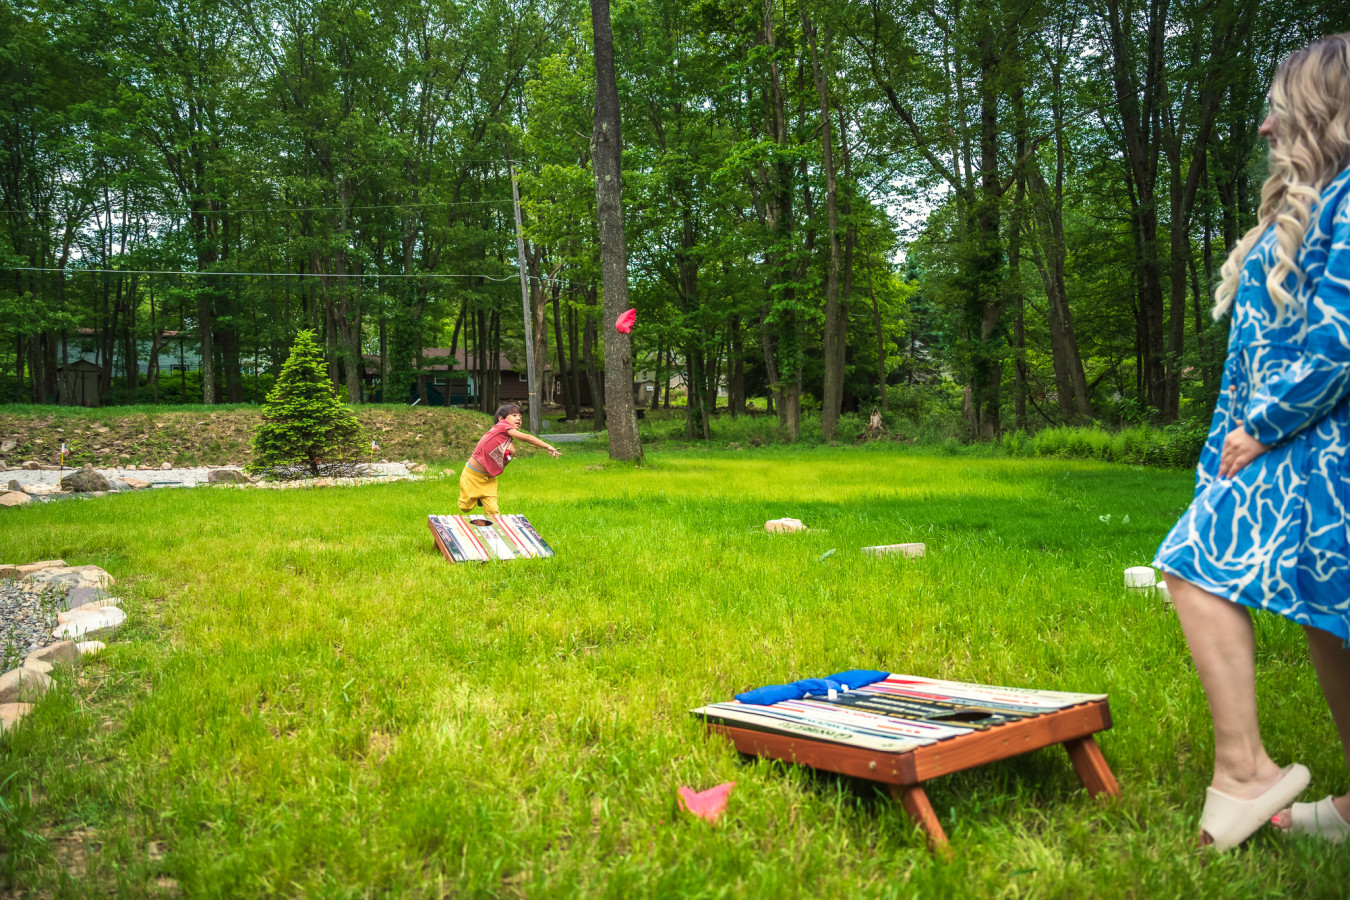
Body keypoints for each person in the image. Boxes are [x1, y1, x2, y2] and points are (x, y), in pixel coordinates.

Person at [1153, 32, 1350, 852]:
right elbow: (1251, 360)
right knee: (1330, 617)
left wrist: (1262, 429)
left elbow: (1340, 338)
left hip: (1319, 443)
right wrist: (1223, 450)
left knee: (1194, 565)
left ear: (1315, 109)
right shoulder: (1312, 202)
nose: (1266, 130)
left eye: (1276, 110)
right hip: (1283, 444)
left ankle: (1245, 771)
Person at [458, 404, 559, 523]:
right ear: (501, 419)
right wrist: (547, 446)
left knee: (493, 512)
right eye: (514, 415)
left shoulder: (507, 442)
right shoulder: (501, 426)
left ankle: (495, 534)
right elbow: (526, 437)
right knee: (465, 507)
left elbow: (502, 465)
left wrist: (511, 455)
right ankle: (477, 497)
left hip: (489, 479)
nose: (519, 419)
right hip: (472, 475)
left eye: (521, 417)